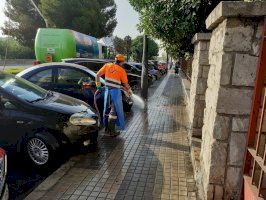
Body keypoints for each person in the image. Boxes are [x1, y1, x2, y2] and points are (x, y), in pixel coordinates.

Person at [95, 54, 132, 136]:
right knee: (114, 112)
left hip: (107, 91)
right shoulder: (121, 70)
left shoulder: (107, 65)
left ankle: (106, 129)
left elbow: (97, 75)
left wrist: (98, 86)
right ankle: (111, 132)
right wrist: (129, 91)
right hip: (115, 93)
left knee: (106, 110)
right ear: (121, 62)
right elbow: (125, 83)